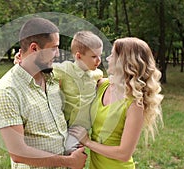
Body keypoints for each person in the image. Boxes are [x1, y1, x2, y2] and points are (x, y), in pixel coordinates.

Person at [0, 17, 87, 169]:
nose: (57, 54)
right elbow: (18, 152)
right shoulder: (7, 92)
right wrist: (68, 162)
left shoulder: (53, 76)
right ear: (34, 48)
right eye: (53, 48)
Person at [70, 37, 164, 169]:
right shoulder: (103, 85)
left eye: (113, 55)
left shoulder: (135, 104)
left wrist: (87, 142)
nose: (107, 59)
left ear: (124, 62)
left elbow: (124, 153)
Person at [15, 31, 104, 155]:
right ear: (79, 56)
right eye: (94, 56)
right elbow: (39, 68)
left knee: (72, 152)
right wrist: (21, 61)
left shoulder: (96, 75)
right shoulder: (65, 69)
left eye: (100, 55)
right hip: (65, 125)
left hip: (83, 127)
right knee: (68, 153)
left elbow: (104, 82)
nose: (99, 60)